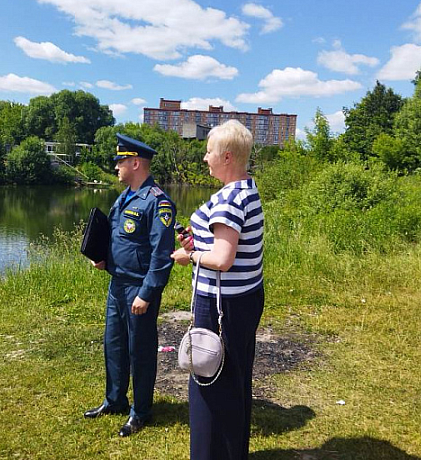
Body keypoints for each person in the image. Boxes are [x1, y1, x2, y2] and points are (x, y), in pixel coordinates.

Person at [171, 120, 264, 459]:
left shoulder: (227, 200)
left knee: (211, 381)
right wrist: (200, 242)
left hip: (222, 305)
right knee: (235, 377)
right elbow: (229, 246)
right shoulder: (246, 190)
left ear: (227, 157)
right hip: (244, 299)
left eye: (208, 152)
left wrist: (190, 255)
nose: (204, 158)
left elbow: (223, 259)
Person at [85, 133, 176, 437]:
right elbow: (119, 239)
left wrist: (147, 293)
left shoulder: (158, 203)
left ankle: (141, 411)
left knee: (140, 351)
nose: (116, 168)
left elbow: (162, 256)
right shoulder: (124, 197)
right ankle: (114, 400)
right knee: (114, 345)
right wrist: (104, 260)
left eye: (120, 162)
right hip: (117, 284)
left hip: (138, 289)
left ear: (135, 163)